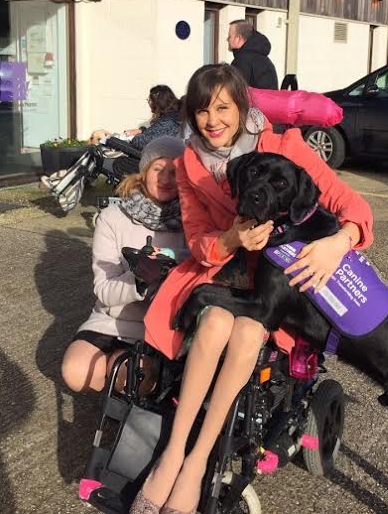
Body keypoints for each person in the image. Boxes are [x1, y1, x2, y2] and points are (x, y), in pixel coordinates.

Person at [131, 64, 373, 514]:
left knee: (246, 332)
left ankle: (197, 462)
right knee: (214, 323)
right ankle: (173, 454)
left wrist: (338, 243)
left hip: (277, 284)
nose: (213, 120)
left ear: (242, 108)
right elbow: (198, 237)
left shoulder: (283, 146)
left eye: (223, 108)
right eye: (202, 110)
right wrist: (231, 239)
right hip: (221, 272)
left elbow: (350, 204)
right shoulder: (189, 163)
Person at [61, 136, 187, 394]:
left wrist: (170, 262)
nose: (165, 178)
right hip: (109, 319)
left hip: (156, 328)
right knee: (77, 372)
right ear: (144, 170)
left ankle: (126, 387)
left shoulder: (193, 220)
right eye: (158, 169)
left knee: (129, 374)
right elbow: (104, 289)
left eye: (174, 171)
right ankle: (115, 385)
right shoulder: (112, 218)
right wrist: (138, 279)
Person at [227, 20, 279, 90]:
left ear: (238, 38)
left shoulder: (242, 61)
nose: (227, 39)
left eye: (229, 36)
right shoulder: (263, 59)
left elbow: (234, 91)